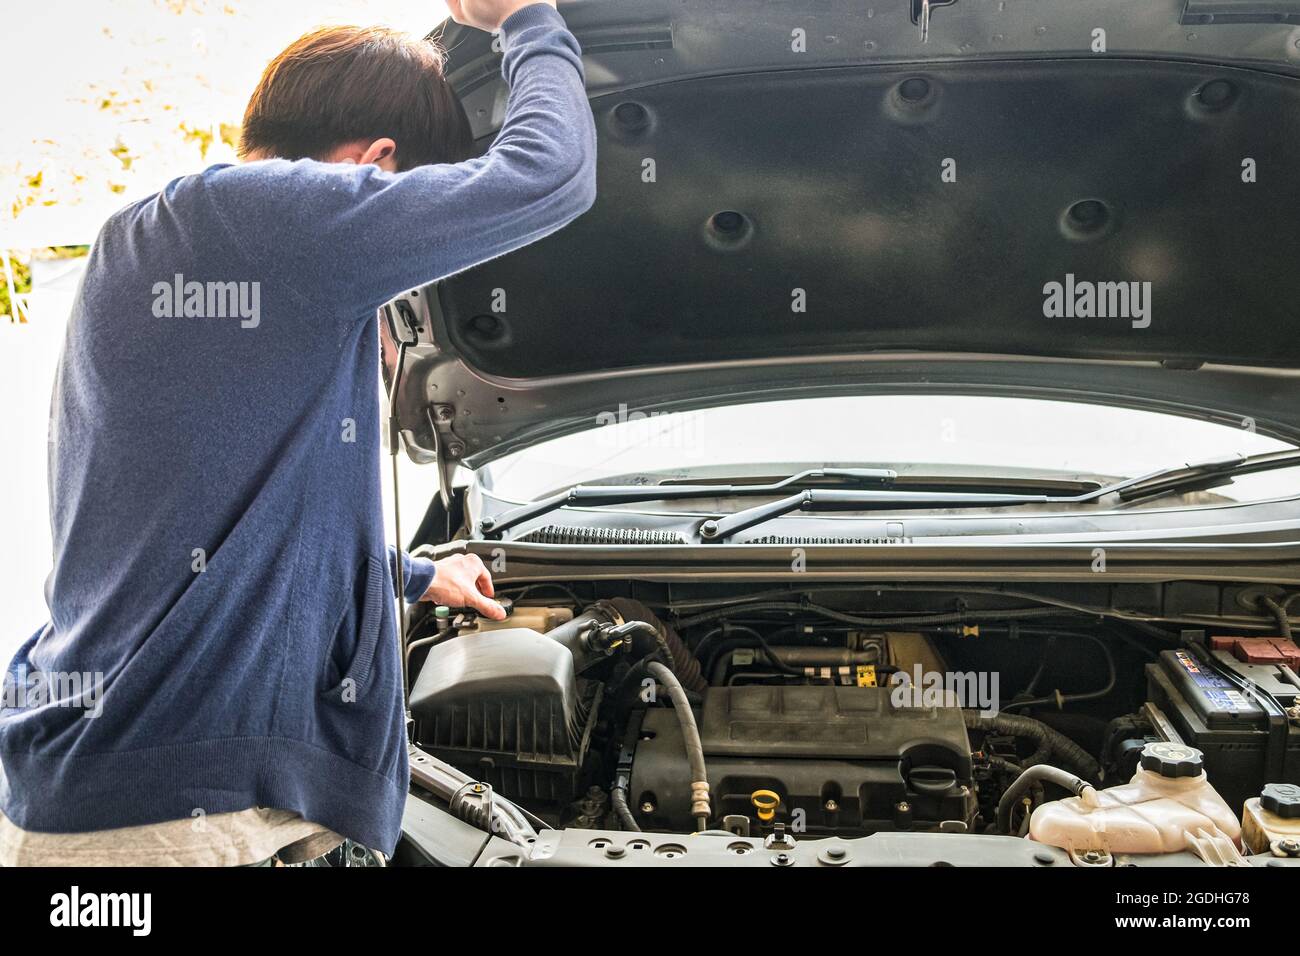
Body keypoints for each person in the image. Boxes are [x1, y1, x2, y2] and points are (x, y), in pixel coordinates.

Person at [0, 0, 595, 866]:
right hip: (158, 815)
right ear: (376, 165)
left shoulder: (180, 236)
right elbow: (551, 176)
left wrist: (416, 575)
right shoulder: (269, 217)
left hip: (118, 789)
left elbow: (203, 519)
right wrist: (525, 19)